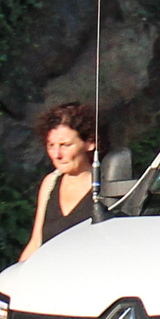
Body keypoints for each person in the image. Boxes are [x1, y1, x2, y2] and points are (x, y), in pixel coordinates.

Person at [21, 101, 98, 261]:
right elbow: (36, 243)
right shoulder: (50, 183)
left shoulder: (107, 186)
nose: (57, 154)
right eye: (51, 146)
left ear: (89, 143)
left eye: (65, 145)